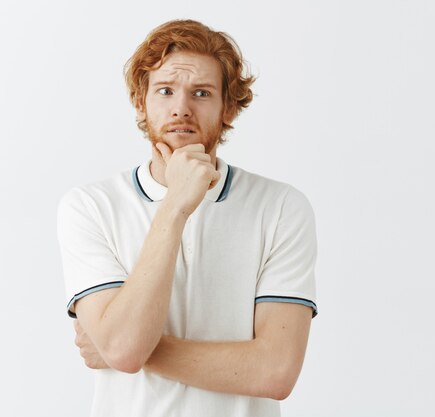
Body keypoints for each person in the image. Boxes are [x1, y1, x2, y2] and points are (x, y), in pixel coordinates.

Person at [57, 19, 317, 417]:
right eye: (164, 90)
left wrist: (127, 348)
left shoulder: (280, 207)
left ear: (228, 107)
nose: (181, 108)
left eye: (201, 92)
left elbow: (275, 372)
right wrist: (175, 205)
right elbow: (122, 348)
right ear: (141, 101)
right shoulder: (90, 206)